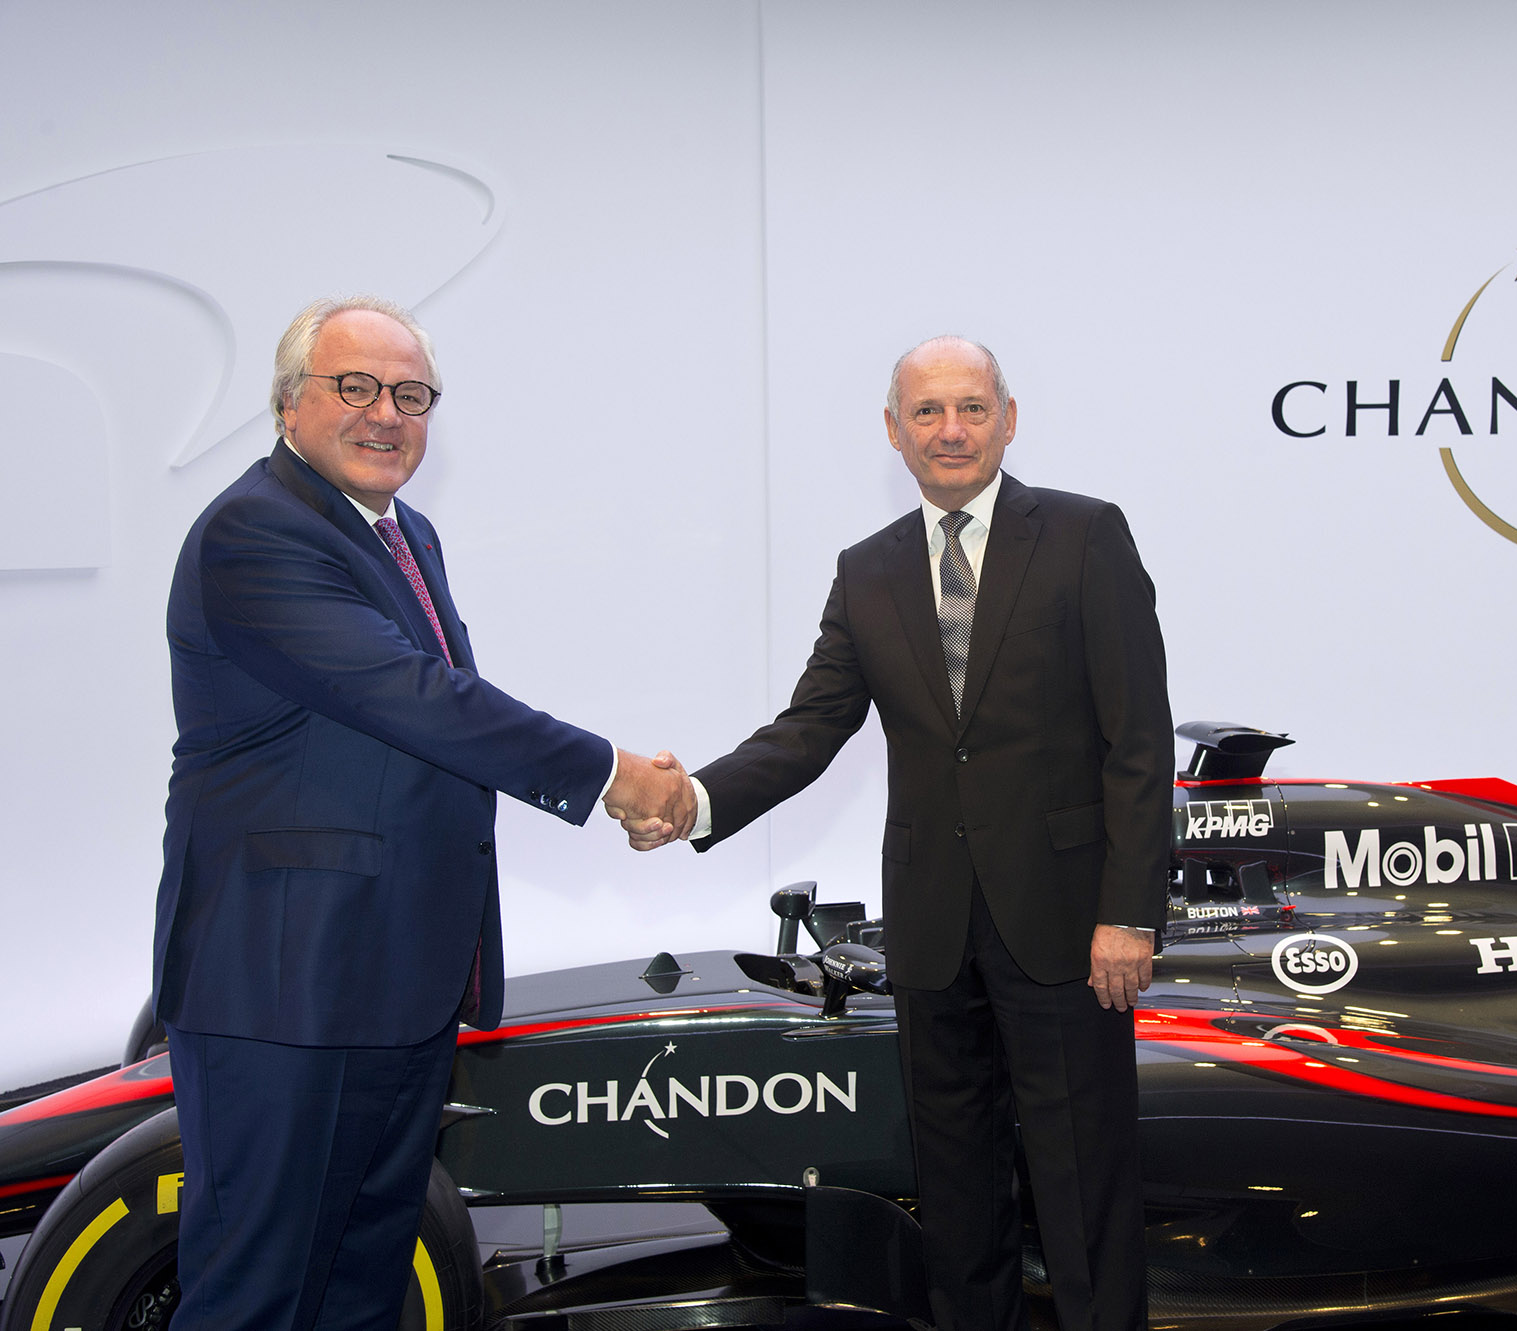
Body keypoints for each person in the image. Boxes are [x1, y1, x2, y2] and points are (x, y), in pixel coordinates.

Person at [153, 295, 694, 1328]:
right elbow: (417, 698)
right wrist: (614, 775)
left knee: (363, 1285)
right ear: (288, 402)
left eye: (411, 394)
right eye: (354, 386)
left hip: (390, 983)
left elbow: (430, 728)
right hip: (283, 990)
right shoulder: (253, 530)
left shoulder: (405, 534)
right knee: (260, 1294)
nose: (385, 413)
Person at [621, 335, 1172, 1331]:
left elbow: (1138, 740)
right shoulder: (867, 569)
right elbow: (809, 726)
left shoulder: (1086, 534)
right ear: (892, 430)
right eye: (926, 411)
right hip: (930, 933)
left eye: (970, 408)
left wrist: (1128, 911)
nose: (949, 429)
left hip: (1067, 929)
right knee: (957, 1203)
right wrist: (694, 798)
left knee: (1084, 1194)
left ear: (1008, 419)